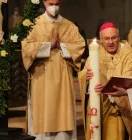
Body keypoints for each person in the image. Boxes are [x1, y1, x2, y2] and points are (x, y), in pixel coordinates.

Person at [21, 0, 85, 139]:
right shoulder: (34, 25)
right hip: (41, 78)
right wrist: (48, 46)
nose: (54, 7)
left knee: (63, 115)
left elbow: (80, 45)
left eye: (56, 3)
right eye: (50, 4)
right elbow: (26, 48)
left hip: (63, 80)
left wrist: (61, 45)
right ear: (44, 3)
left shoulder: (69, 26)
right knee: (42, 114)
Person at [78, 22, 132, 140]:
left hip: (118, 109)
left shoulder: (128, 55)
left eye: (113, 38)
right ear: (101, 40)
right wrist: (87, 78)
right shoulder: (95, 53)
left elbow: (128, 77)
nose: (111, 42)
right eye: (106, 39)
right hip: (98, 106)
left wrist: (108, 87)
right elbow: (84, 73)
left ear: (119, 38)